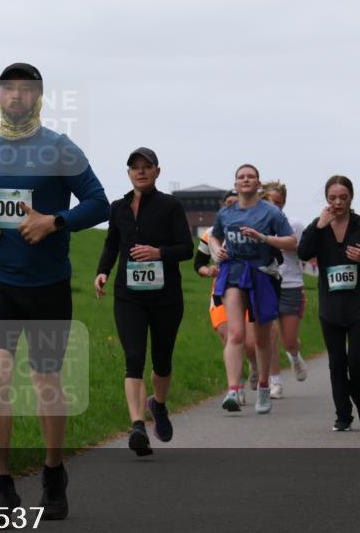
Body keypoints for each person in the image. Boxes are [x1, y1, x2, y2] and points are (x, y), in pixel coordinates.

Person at [0, 63, 109, 519]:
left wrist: (54, 221)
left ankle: (53, 471)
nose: (16, 97)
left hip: (49, 284)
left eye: (25, 91)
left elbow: (98, 202)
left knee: (45, 381)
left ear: (39, 98)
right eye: (8, 90)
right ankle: (1, 485)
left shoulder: (60, 148)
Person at [94, 148, 194, 456]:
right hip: (129, 296)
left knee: (162, 360)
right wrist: (102, 272)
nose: (140, 172)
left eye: (146, 167)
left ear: (156, 172)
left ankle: (158, 406)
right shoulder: (118, 208)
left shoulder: (171, 206)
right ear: (128, 173)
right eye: (135, 167)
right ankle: (137, 425)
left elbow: (187, 249)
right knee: (134, 357)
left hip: (165, 298)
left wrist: (158, 253)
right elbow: (112, 244)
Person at [297, 175, 360, 432]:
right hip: (330, 307)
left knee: (356, 362)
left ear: (351, 198)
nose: (338, 202)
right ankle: (343, 415)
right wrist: (319, 226)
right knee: (337, 363)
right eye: (332, 198)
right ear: (326, 199)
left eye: (343, 198)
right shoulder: (319, 226)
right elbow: (302, 253)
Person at [208, 164, 297, 415]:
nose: (245, 180)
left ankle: (264, 387)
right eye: (241, 177)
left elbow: (292, 242)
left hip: (262, 275)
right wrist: (216, 250)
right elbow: (213, 237)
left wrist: (264, 238)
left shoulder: (270, 213)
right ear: (235, 184)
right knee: (235, 333)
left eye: (251, 177)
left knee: (261, 338)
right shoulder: (226, 213)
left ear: (258, 184)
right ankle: (233, 390)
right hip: (233, 272)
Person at [194, 189, 257, 407]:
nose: (231, 207)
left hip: (248, 288)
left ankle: (254, 366)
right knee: (230, 336)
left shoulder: (250, 228)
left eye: (235, 203)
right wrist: (207, 270)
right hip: (221, 293)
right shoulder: (211, 233)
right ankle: (236, 387)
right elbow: (198, 264)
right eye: (227, 204)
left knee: (248, 342)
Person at [260, 181, 309, 398]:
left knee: (288, 339)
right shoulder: (257, 223)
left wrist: (289, 245)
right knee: (269, 335)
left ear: (284, 203)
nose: (274, 207)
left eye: (278, 203)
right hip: (266, 282)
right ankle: (276, 382)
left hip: (290, 283)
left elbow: (306, 253)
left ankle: (294, 356)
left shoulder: (295, 224)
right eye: (270, 202)